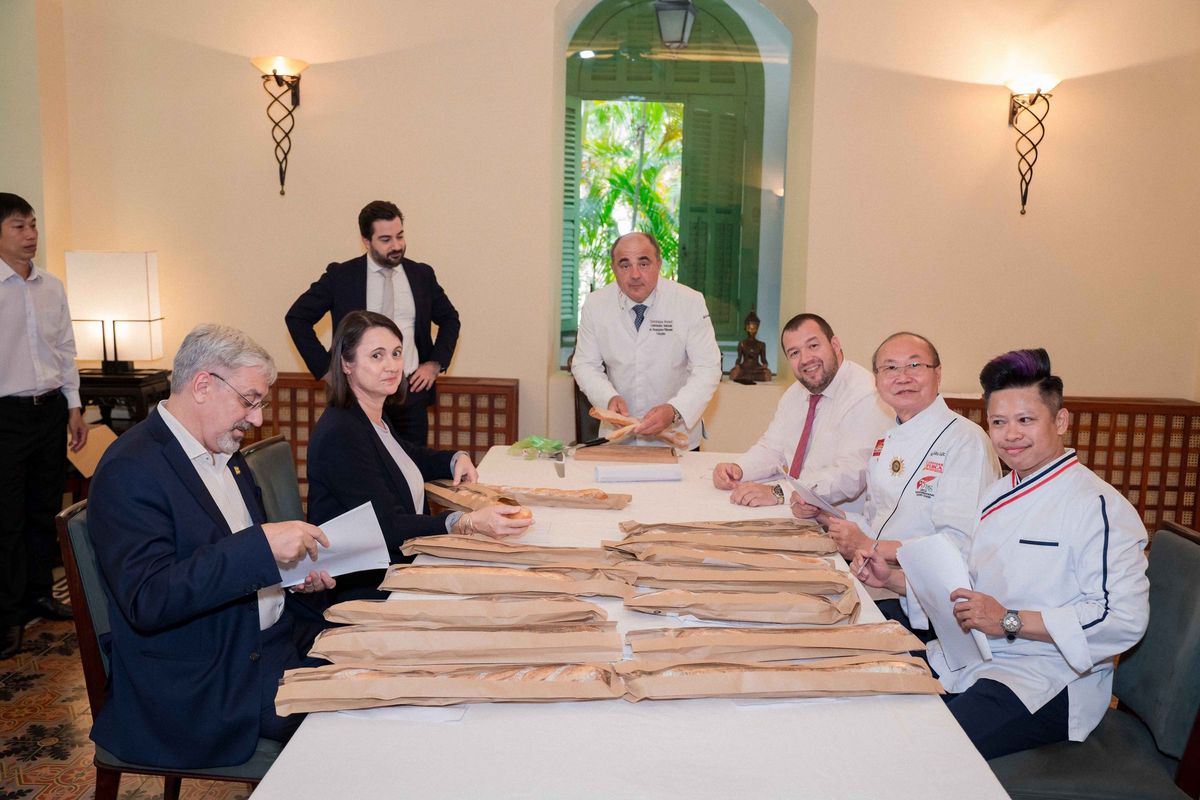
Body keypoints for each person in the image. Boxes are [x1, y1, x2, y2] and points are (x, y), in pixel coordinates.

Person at [852, 348, 1149, 759]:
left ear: (1060, 421)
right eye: (998, 422)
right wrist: (896, 581)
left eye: (1026, 420)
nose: (1011, 435)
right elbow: (967, 583)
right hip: (980, 654)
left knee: (924, 748)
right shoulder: (997, 493)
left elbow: (1122, 619)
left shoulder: (1097, 506)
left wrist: (1009, 620)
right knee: (871, 699)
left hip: (1049, 676)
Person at [87, 324, 335, 768]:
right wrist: (261, 548)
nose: (256, 419)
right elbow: (149, 598)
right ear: (202, 385)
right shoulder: (131, 468)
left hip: (273, 641)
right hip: (207, 679)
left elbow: (235, 565)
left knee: (387, 677)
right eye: (249, 400)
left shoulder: (227, 455)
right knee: (356, 724)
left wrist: (290, 576)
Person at [306, 311, 531, 601]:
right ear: (346, 364)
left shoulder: (370, 415)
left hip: (399, 565)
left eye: (396, 353)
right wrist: (465, 522)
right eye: (376, 356)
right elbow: (387, 524)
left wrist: (454, 459)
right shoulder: (341, 432)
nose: (391, 365)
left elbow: (404, 457)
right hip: (367, 587)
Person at [793, 331, 998, 630]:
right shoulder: (886, 441)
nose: (903, 377)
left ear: (938, 373)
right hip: (880, 578)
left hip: (929, 605)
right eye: (890, 368)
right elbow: (877, 520)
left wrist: (874, 546)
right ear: (877, 381)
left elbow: (957, 545)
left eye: (914, 365)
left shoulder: (965, 441)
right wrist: (825, 515)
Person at [286, 200, 460, 445]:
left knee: (413, 464)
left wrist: (434, 363)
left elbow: (450, 319)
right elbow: (297, 317)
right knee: (360, 464)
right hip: (357, 397)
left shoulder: (421, 275)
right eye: (386, 239)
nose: (396, 246)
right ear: (366, 241)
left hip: (410, 394)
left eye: (400, 236)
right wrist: (327, 370)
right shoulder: (341, 276)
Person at [0, 192, 88, 660]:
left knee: (43, 510)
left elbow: (66, 350)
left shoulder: (51, 286)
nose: (31, 234)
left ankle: (39, 595)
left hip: (50, 410)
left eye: (32, 224)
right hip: (5, 415)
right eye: (19, 226)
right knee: (7, 518)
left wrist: (74, 406)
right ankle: (9, 615)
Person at [713, 313, 891, 512]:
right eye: (794, 353)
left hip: (840, 520)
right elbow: (773, 447)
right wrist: (738, 469)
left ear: (835, 345)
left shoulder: (867, 394)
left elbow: (850, 475)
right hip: (796, 512)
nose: (806, 359)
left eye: (813, 346)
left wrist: (779, 492)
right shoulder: (796, 392)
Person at [571, 232, 721, 450]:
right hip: (618, 438)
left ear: (658, 264)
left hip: (677, 438)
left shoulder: (689, 302)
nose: (635, 274)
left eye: (644, 263)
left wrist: (674, 410)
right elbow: (584, 364)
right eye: (625, 265)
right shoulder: (596, 304)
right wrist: (608, 399)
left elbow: (707, 368)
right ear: (613, 268)